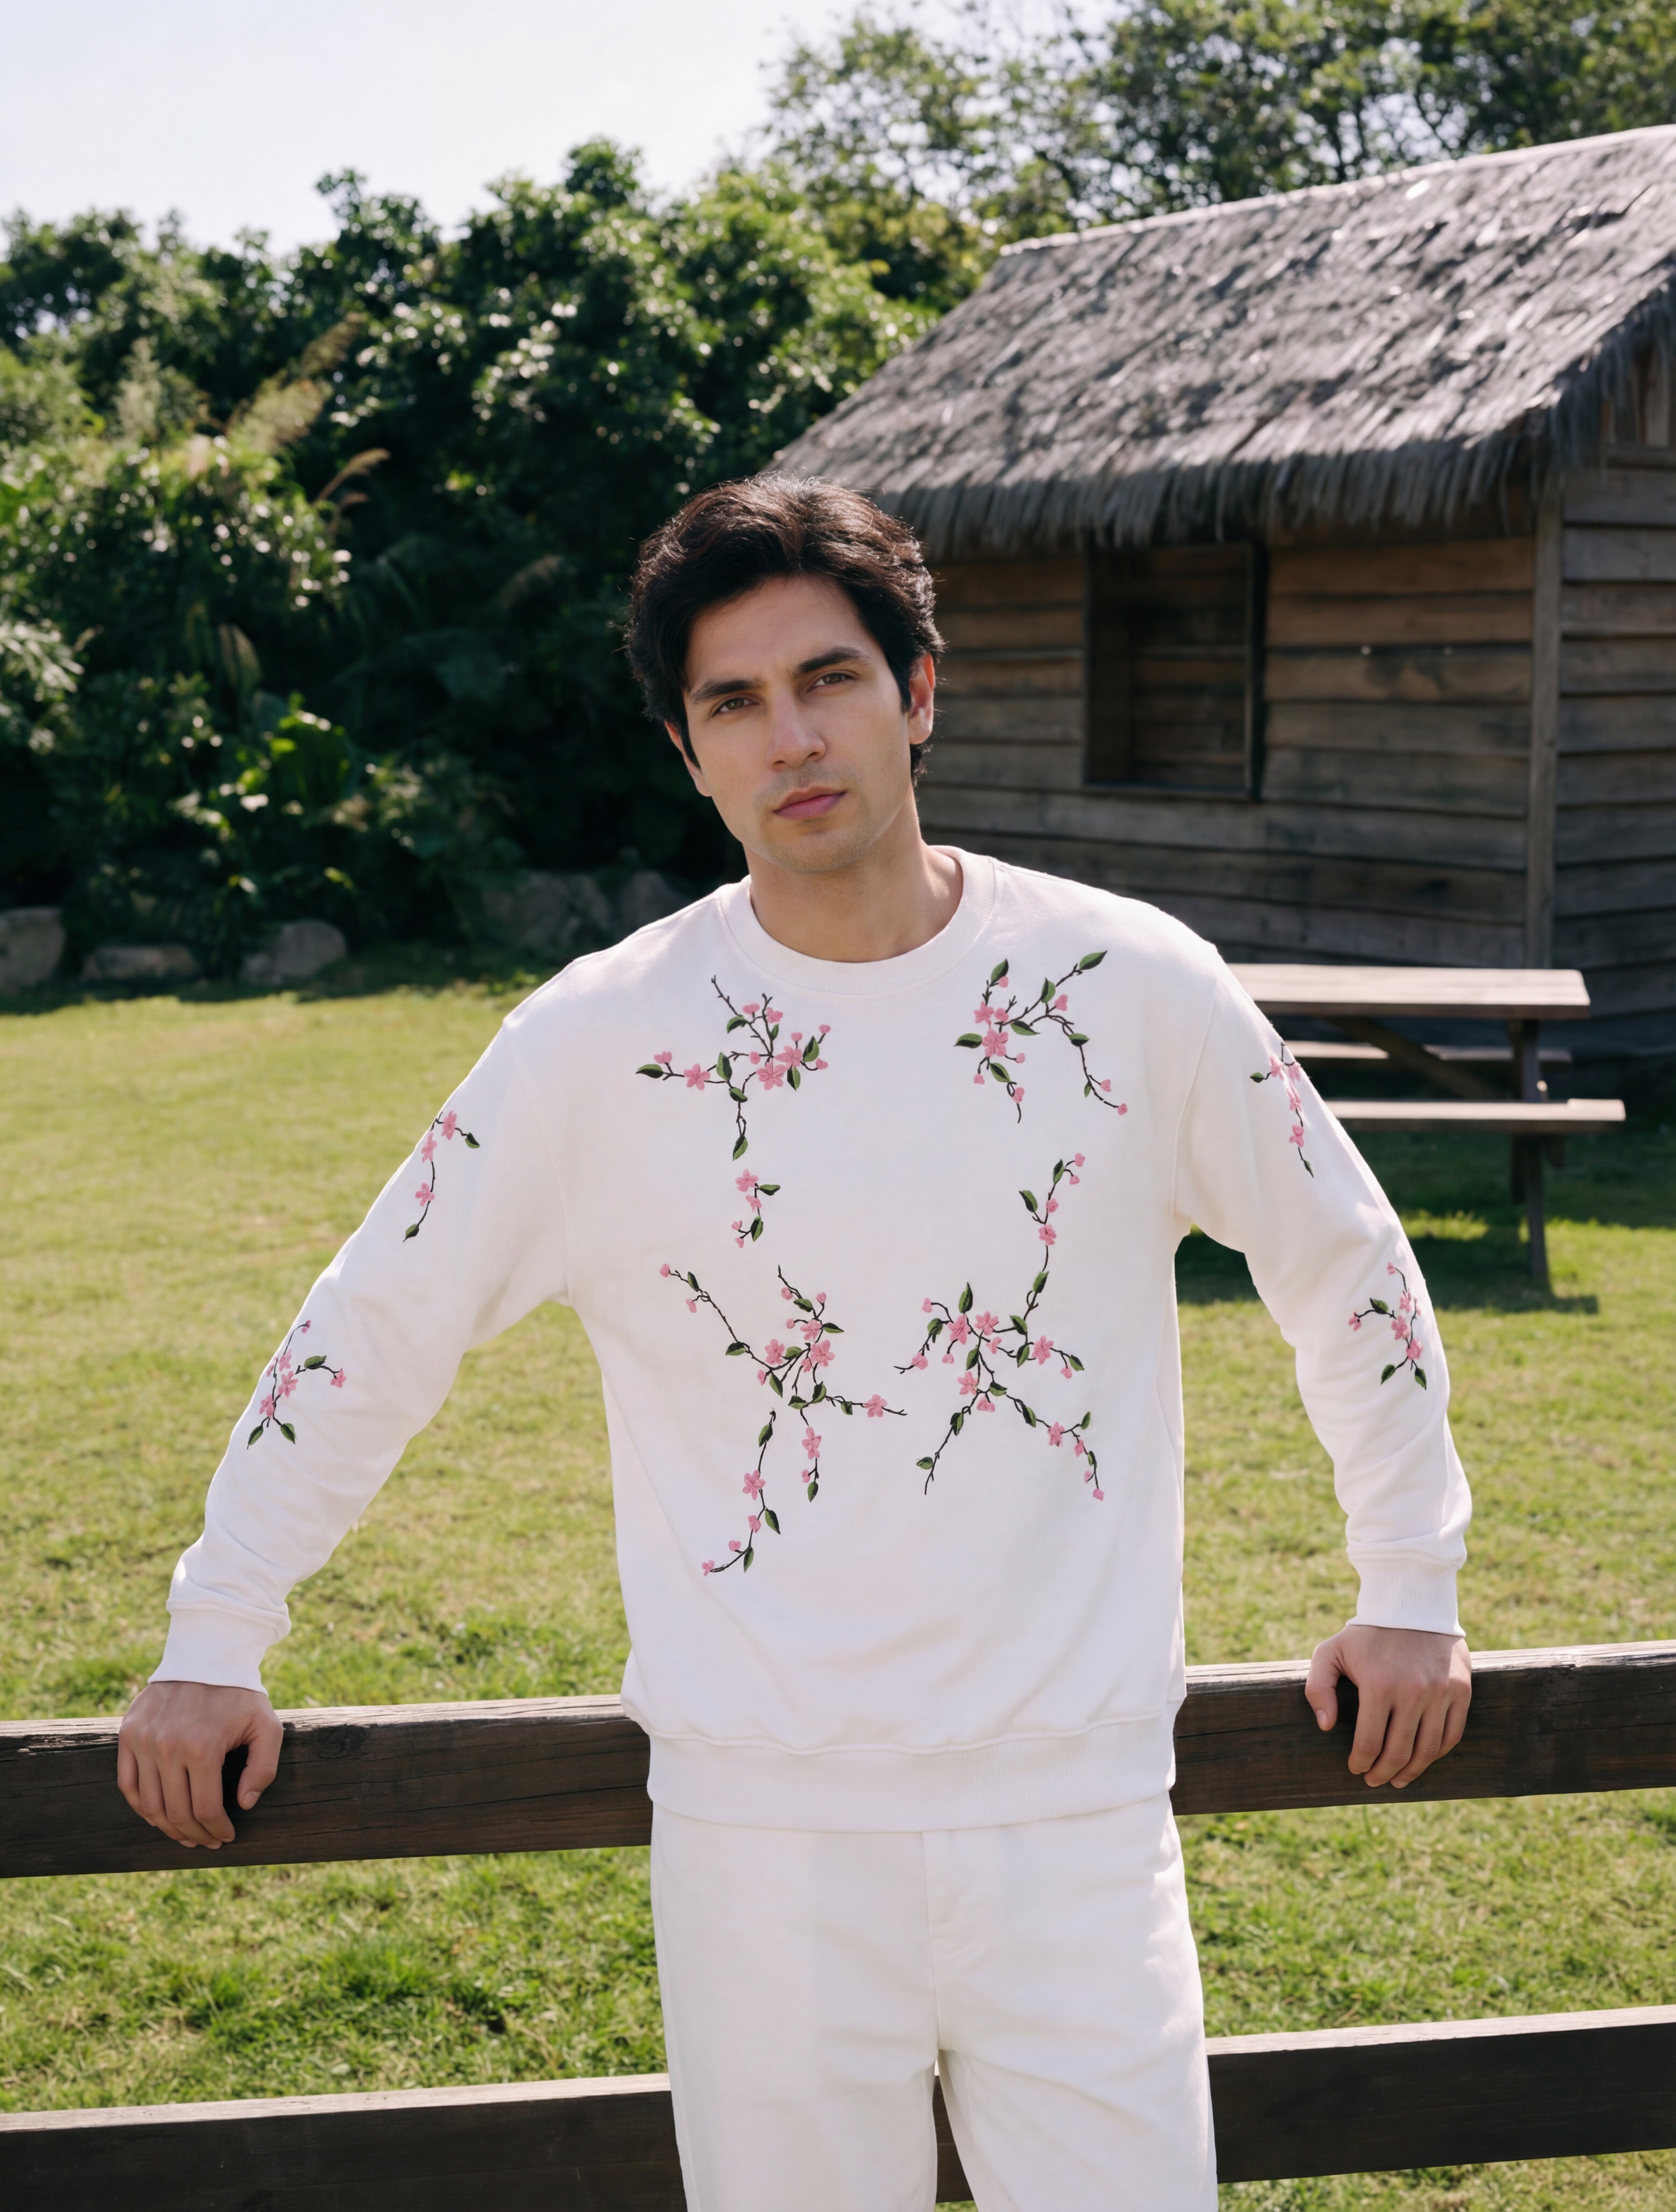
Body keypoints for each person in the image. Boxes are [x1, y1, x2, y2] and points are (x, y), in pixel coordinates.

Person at [117, 475, 1472, 2210]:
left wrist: (1410, 1585)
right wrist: (218, 1626)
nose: (791, 736)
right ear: (691, 754)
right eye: (733, 703)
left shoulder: (1128, 983)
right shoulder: (596, 1044)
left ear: (919, 692)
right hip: (757, 1837)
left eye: (830, 678)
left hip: (1079, 1820)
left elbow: (1347, 1266)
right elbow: (376, 1322)